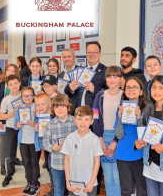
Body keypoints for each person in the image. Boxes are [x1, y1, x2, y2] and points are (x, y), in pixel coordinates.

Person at [92, 66, 123, 196]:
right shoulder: (100, 95)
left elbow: (124, 122)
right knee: (107, 175)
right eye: (109, 76)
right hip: (102, 137)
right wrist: (101, 140)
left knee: (117, 175)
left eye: (115, 76)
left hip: (120, 138)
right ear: (105, 79)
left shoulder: (125, 95)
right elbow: (95, 118)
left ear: (121, 79)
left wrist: (115, 141)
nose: (112, 79)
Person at [61, 105, 103, 196]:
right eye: (80, 119)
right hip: (73, 183)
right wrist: (68, 181)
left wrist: (91, 182)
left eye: (87, 119)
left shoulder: (94, 139)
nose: (83, 122)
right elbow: (66, 160)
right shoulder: (69, 138)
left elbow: (97, 163)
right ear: (75, 120)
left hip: (89, 183)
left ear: (92, 121)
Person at [115, 77, 147, 196]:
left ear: (141, 91)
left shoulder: (146, 110)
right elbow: (119, 135)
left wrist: (139, 119)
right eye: (128, 87)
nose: (131, 90)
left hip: (140, 154)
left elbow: (144, 137)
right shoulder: (120, 109)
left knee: (142, 190)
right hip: (123, 154)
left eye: (135, 87)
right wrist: (119, 118)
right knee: (125, 191)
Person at [0, 64, 23, 175]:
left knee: (15, 143)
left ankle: (13, 160)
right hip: (4, 119)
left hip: (18, 121)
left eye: (13, 71)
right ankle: (3, 166)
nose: (10, 72)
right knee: (4, 142)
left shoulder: (20, 89)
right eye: (8, 70)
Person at [43, 94, 77, 196]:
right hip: (57, 165)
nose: (59, 109)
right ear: (53, 108)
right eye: (56, 107)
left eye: (62, 106)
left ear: (68, 107)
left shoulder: (75, 121)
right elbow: (45, 142)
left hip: (73, 165)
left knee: (75, 190)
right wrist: (53, 148)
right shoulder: (50, 124)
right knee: (58, 191)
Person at [15, 86, 42, 196]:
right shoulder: (19, 109)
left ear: (34, 96)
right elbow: (15, 125)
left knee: (34, 162)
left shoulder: (38, 109)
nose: (27, 98)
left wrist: (35, 123)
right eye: (24, 96)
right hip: (23, 141)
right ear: (21, 97)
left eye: (29, 95)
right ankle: (29, 183)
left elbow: (43, 125)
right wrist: (17, 125)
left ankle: (35, 184)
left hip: (34, 141)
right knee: (26, 162)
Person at [65, 41, 108, 111]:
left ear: (100, 54)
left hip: (93, 113)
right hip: (77, 112)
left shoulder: (106, 71)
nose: (91, 54)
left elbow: (111, 93)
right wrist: (70, 88)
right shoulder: (79, 70)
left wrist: (95, 90)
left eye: (95, 52)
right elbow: (66, 90)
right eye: (89, 52)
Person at [0, 75, 22, 187]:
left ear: (20, 83)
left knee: (27, 153)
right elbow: (1, 116)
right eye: (11, 84)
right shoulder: (6, 99)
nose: (14, 86)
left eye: (16, 83)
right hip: (11, 128)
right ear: (8, 86)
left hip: (25, 128)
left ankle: (31, 176)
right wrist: (11, 114)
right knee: (10, 153)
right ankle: (9, 175)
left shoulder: (25, 96)